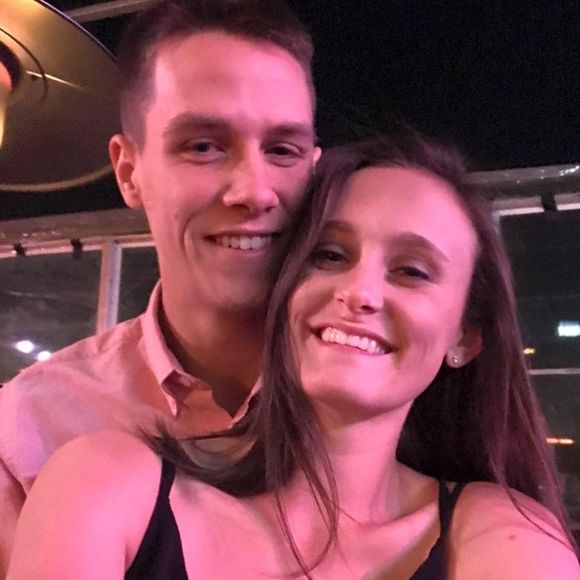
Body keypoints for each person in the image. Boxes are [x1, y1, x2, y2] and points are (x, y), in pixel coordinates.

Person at [7, 134, 579, 578]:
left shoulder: (504, 536)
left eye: (411, 270)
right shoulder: (106, 485)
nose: (359, 292)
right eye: (329, 255)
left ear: (464, 338)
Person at [0, 0, 320, 573]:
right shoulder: (28, 429)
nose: (255, 190)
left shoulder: (394, 399)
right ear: (129, 172)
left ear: (315, 169)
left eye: (282, 150)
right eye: (203, 146)